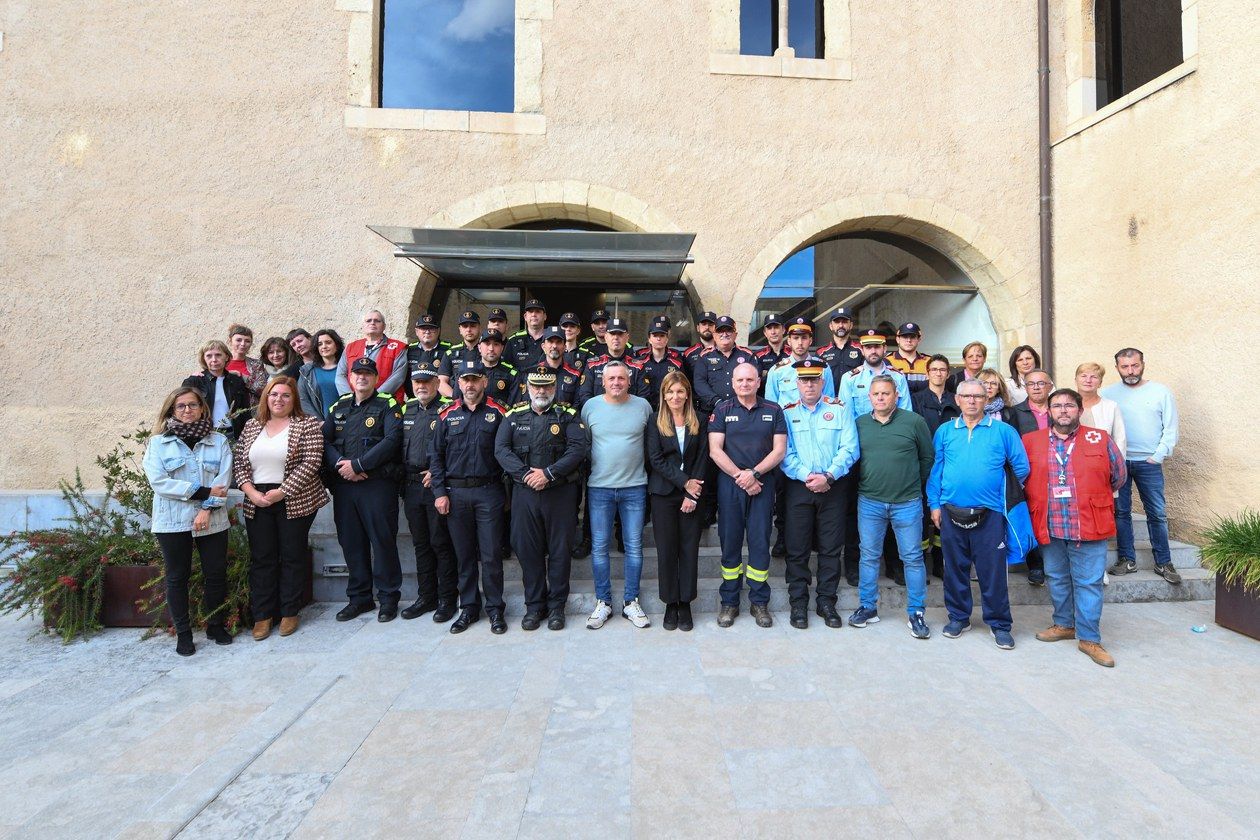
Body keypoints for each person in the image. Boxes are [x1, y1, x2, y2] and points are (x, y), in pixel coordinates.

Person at [1024, 388, 1127, 668]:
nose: (1063, 410)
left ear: (1080, 410)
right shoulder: (1030, 441)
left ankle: (1089, 638)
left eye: (1069, 405)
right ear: (1048, 411)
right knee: (1056, 577)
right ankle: (1064, 624)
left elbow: (1118, 477)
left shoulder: (1099, 439)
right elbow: (1022, 476)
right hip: (1049, 522)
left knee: (1089, 583)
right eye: (1057, 405)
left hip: (1088, 522)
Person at [927, 379, 1030, 649]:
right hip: (950, 512)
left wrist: (1000, 495)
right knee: (955, 569)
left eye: (977, 397)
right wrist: (934, 504)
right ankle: (959, 617)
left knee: (992, 571)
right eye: (966, 396)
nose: (972, 401)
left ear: (986, 400)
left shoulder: (1004, 431)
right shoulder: (945, 431)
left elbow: (1021, 468)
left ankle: (999, 623)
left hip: (992, 514)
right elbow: (937, 470)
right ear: (957, 400)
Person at [233, 377, 328, 641]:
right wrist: (251, 492)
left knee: (292, 555)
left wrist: (281, 492)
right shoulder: (253, 425)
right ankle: (263, 615)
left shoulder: (306, 424)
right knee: (262, 557)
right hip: (257, 498)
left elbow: (311, 462)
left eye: (286, 395)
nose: (279, 400)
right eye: (274, 395)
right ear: (266, 397)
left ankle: (289, 611)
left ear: (293, 399)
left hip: (294, 497)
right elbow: (239, 463)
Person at [143, 387, 233, 656]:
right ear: (172, 410)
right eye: (181, 406)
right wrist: (203, 493)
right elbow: (160, 483)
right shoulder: (158, 444)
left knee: (215, 575)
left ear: (202, 408)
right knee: (177, 577)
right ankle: (183, 634)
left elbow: (223, 481)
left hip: (212, 518)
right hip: (173, 521)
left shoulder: (218, 441)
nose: (187, 410)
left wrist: (206, 508)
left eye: (192, 405)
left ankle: (215, 625)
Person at [495, 368, 588, 631]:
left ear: (555, 387)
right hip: (524, 494)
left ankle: (557, 607)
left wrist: (548, 474)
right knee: (528, 550)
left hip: (560, 493)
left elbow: (577, 449)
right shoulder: (513, 416)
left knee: (560, 551)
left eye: (546, 387)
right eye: (536, 386)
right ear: (527, 387)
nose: (541, 391)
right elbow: (501, 450)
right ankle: (534, 607)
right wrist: (526, 475)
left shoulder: (568, 416)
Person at [429, 360, 511, 633]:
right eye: (465, 380)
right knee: (464, 556)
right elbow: (436, 459)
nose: (470, 385)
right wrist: (439, 493)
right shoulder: (445, 414)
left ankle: (496, 610)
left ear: (484, 381)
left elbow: (509, 452)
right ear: (458, 383)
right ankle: (469, 608)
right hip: (456, 494)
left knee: (490, 556)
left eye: (475, 379)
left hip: (489, 492)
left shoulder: (500, 412)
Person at [851, 376, 935, 638]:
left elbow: (927, 458)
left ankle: (916, 612)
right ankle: (867, 607)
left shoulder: (914, 422)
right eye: (876, 394)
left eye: (885, 393)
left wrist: (909, 483)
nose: (880, 398)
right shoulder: (860, 424)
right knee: (868, 556)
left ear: (896, 395)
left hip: (907, 503)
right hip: (870, 502)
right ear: (869, 397)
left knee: (912, 557)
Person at [323, 357, 404, 623]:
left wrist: (358, 464)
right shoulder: (339, 406)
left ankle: (389, 598)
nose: (362, 378)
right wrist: (340, 465)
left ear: (376, 378)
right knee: (352, 542)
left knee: (382, 541)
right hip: (345, 486)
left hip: (377, 485)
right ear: (350, 378)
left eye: (368, 374)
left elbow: (392, 441)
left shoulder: (387, 404)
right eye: (358, 373)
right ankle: (359, 598)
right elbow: (325, 441)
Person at [708, 362, 788, 628]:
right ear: (733, 383)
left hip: (762, 485)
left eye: (750, 380)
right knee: (730, 544)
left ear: (758, 382)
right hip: (731, 485)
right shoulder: (722, 409)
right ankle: (729, 602)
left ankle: (759, 602)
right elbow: (715, 451)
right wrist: (741, 477)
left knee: (759, 543)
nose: (745, 384)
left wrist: (753, 474)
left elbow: (779, 451)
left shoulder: (773, 410)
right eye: (740, 380)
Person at [780, 359, 857, 629]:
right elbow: (783, 452)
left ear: (823, 381)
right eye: (804, 380)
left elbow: (850, 448)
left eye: (814, 379)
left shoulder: (840, 409)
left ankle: (827, 602)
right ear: (796, 383)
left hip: (833, 487)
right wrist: (807, 477)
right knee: (797, 548)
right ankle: (798, 603)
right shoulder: (786, 412)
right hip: (798, 488)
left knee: (830, 548)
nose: (809, 384)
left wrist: (829, 476)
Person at [581, 360, 655, 629]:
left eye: (621, 378)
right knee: (599, 547)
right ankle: (603, 602)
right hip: (599, 487)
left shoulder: (643, 407)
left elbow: (651, 445)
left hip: (634, 487)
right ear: (602, 381)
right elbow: (584, 444)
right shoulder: (590, 407)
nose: (616, 383)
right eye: (611, 378)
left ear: (629, 380)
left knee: (634, 547)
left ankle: (630, 602)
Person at [1102, 348, 1181, 584]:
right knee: (1122, 512)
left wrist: (1157, 456)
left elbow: (1171, 428)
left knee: (1156, 512)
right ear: (1117, 368)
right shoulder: (1108, 394)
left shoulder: (1160, 392)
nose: (1130, 371)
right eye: (1125, 367)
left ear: (1143, 364)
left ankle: (1163, 561)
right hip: (1120, 463)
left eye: (1134, 365)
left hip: (1149, 462)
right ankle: (1127, 559)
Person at [646, 370, 709, 632]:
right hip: (663, 495)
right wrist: (684, 482)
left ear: (687, 394)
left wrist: (691, 493)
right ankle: (670, 603)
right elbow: (655, 459)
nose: (675, 396)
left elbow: (704, 458)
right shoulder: (654, 420)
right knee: (667, 550)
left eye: (680, 391)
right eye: (670, 392)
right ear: (663, 395)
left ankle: (686, 603)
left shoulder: (701, 420)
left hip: (692, 495)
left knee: (688, 549)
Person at [399, 368, 457, 623]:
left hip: (436, 486)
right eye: (417, 382)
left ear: (437, 382)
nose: (421, 386)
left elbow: (458, 447)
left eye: (426, 382)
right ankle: (426, 596)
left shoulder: (448, 409)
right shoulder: (407, 409)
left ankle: (447, 598)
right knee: (421, 544)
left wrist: (438, 473)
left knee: (441, 543)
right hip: (411, 486)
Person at [1001, 367, 1054, 586]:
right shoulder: (1015, 413)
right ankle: (1036, 566)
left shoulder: (1058, 407)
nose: (1036, 387)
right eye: (1031, 384)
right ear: (1025, 387)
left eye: (1041, 383)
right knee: (1031, 520)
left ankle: (1058, 565)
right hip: (1029, 474)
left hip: (1059, 473)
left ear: (1050, 386)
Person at [911, 354, 959, 578]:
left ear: (947, 374)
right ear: (928, 373)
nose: (938, 373)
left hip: (951, 464)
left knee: (946, 514)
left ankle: (940, 561)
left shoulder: (956, 399)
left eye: (942, 370)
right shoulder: (917, 399)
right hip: (924, 463)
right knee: (922, 514)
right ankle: (921, 563)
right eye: (934, 369)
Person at [182, 339, 252, 440]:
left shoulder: (236, 381)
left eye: (218, 355)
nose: (214, 359)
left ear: (226, 357)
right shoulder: (194, 382)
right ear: (204, 359)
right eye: (209, 356)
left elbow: (245, 411)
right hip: (205, 435)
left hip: (233, 434)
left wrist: (247, 436)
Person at [838, 329, 913, 418]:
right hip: (862, 430)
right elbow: (846, 416)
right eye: (868, 347)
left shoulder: (898, 377)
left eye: (877, 346)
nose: (873, 351)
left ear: (884, 348)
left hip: (892, 430)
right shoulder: (849, 378)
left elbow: (906, 414)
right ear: (862, 350)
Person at [336, 310, 408, 402]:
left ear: (384, 326)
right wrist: (350, 399)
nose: (372, 323)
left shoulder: (398, 347)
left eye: (377, 321)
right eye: (368, 320)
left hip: (386, 405)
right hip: (354, 406)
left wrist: (374, 399)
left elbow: (398, 378)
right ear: (363, 326)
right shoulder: (351, 347)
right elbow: (340, 375)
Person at [576, 318, 650, 407]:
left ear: (627, 338)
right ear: (606, 337)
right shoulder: (593, 365)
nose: (616, 337)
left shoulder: (638, 367)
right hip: (600, 416)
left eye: (620, 334)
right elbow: (585, 396)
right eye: (612, 334)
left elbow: (643, 398)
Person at [765, 317, 836, 406]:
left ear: (810, 341)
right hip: (786, 419)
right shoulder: (776, 370)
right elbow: (771, 406)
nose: (800, 343)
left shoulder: (823, 368)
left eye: (804, 338)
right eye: (796, 338)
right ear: (789, 341)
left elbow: (828, 402)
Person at [693, 316, 755, 413]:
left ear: (735, 334)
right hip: (712, 411)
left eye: (728, 331)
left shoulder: (747, 355)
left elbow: (754, 382)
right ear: (714, 335)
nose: (724, 334)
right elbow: (699, 383)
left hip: (742, 411)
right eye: (720, 331)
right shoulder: (705, 356)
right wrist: (717, 402)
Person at [513, 327, 581, 406]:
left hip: (564, 417)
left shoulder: (574, 374)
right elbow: (526, 402)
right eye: (550, 342)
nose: (554, 346)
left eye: (558, 342)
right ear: (543, 346)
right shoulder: (532, 373)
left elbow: (577, 404)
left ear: (564, 347)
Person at [1075, 362, 1127, 457]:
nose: (1088, 380)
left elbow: (1120, 440)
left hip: (1102, 461)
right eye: (1083, 376)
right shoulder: (1065, 405)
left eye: (1094, 377)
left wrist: (1118, 467)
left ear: (1100, 383)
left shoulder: (1111, 407)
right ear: (1076, 380)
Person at [635, 316, 685, 408]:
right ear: (649, 339)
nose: (658, 339)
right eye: (655, 335)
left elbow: (682, 388)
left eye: (662, 336)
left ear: (667, 339)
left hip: (670, 408)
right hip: (647, 408)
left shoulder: (677, 363)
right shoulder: (640, 363)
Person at [297, 328, 344, 419]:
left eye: (328, 342)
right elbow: (303, 399)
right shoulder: (307, 371)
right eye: (320, 344)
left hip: (349, 421)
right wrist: (318, 422)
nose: (324, 346)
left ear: (337, 345)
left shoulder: (348, 368)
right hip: (323, 423)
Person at [438, 310, 482, 397]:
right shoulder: (450, 353)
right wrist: (456, 399)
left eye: (473, 326)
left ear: (479, 328)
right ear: (460, 330)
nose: (469, 329)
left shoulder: (487, 351)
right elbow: (441, 382)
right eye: (465, 326)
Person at [405, 313, 451, 390]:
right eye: (423, 328)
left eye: (431, 328)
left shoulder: (448, 349)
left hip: (440, 398)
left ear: (438, 331)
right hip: (413, 397)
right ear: (416, 331)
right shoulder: (409, 350)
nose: (427, 332)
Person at [474, 329, 519, 404]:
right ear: (479, 347)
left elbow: (513, 407)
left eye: (496, 344)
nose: (491, 348)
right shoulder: (469, 371)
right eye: (487, 344)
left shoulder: (511, 374)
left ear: (502, 348)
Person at [816, 307, 864, 376]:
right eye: (837, 322)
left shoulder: (861, 349)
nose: (841, 325)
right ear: (831, 326)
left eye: (844, 322)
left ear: (851, 325)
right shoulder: (821, 352)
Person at [227, 323, 267, 401]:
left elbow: (262, 389)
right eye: (238, 340)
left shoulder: (256, 364)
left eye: (247, 341)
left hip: (249, 410)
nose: (243, 344)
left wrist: (242, 376)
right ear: (230, 341)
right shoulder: (219, 363)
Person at [887, 322, 931, 392]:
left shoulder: (930, 361)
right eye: (905, 337)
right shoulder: (887, 361)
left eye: (912, 337)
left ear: (919, 340)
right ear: (897, 339)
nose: (909, 340)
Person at [505, 299, 548, 369]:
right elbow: (505, 365)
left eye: (538, 311)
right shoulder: (514, 340)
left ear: (545, 316)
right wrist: (517, 376)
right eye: (530, 312)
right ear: (525, 316)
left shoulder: (552, 339)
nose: (534, 314)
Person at [682, 311, 718, 376]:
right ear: (698, 328)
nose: (707, 327)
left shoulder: (723, 350)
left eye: (710, 324)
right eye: (704, 324)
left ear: (716, 328)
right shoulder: (688, 354)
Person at [754, 313, 787, 378]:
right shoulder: (758, 356)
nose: (773, 332)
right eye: (769, 328)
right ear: (765, 333)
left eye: (776, 327)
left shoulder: (792, 353)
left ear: (783, 330)